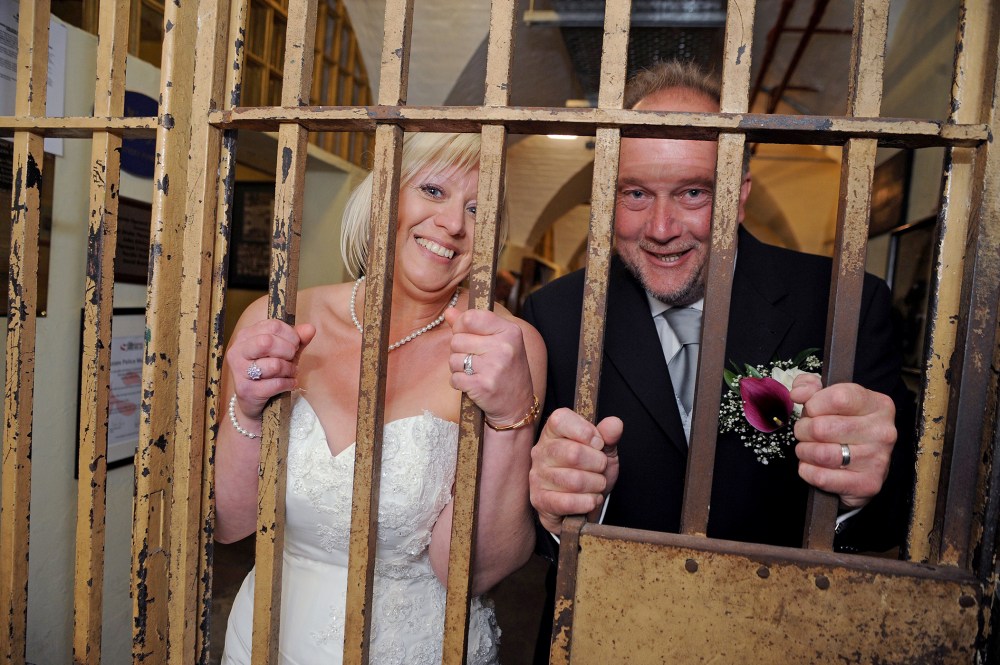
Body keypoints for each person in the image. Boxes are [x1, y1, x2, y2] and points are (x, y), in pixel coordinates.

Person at [522, 60, 914, 660]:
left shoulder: (841, 304)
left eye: (692, 192)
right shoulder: (555, 313)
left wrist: (859, 492)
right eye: (635, 193)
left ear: (740, 195)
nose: (660, 227)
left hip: (778, 635)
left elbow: (903, 518)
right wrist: (555, 508)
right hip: (605, 632)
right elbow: (525, 528)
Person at [216, 132, 547, 664]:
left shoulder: (502, 349)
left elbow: (474, 570)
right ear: (384, 196)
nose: (454, 224)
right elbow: (230, 524)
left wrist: (511, 417)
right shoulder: (277, 319)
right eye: (434, 190)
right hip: (269, 639)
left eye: (476, 209)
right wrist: (250, 408)